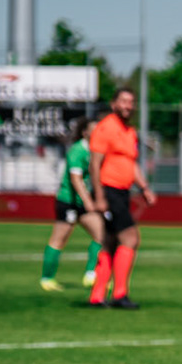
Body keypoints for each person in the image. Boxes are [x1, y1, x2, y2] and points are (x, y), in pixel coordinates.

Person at [88, 87, 156, 309]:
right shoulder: (106, 127)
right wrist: (99, 197)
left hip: (123, 191)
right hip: (109, 190)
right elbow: (94, 164)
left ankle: (98, 296)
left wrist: (144, 187)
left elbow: (130, 163)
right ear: (113, 103)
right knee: (131, 238)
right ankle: (119, 294)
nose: (128, 106)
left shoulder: (129, 131)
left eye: (131, 102)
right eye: (124, 101)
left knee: (110, 243)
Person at [40, 117, 104, 292]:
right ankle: (47, 279)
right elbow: (76, 179)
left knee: (102, 235)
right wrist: (88, 201)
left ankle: (91, 275)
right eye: (95, 129)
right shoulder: (78, 150)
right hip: (68, 202)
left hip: (82, 203)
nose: (99, 133)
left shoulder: (96, 151)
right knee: (59, 240)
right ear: (85, 132)